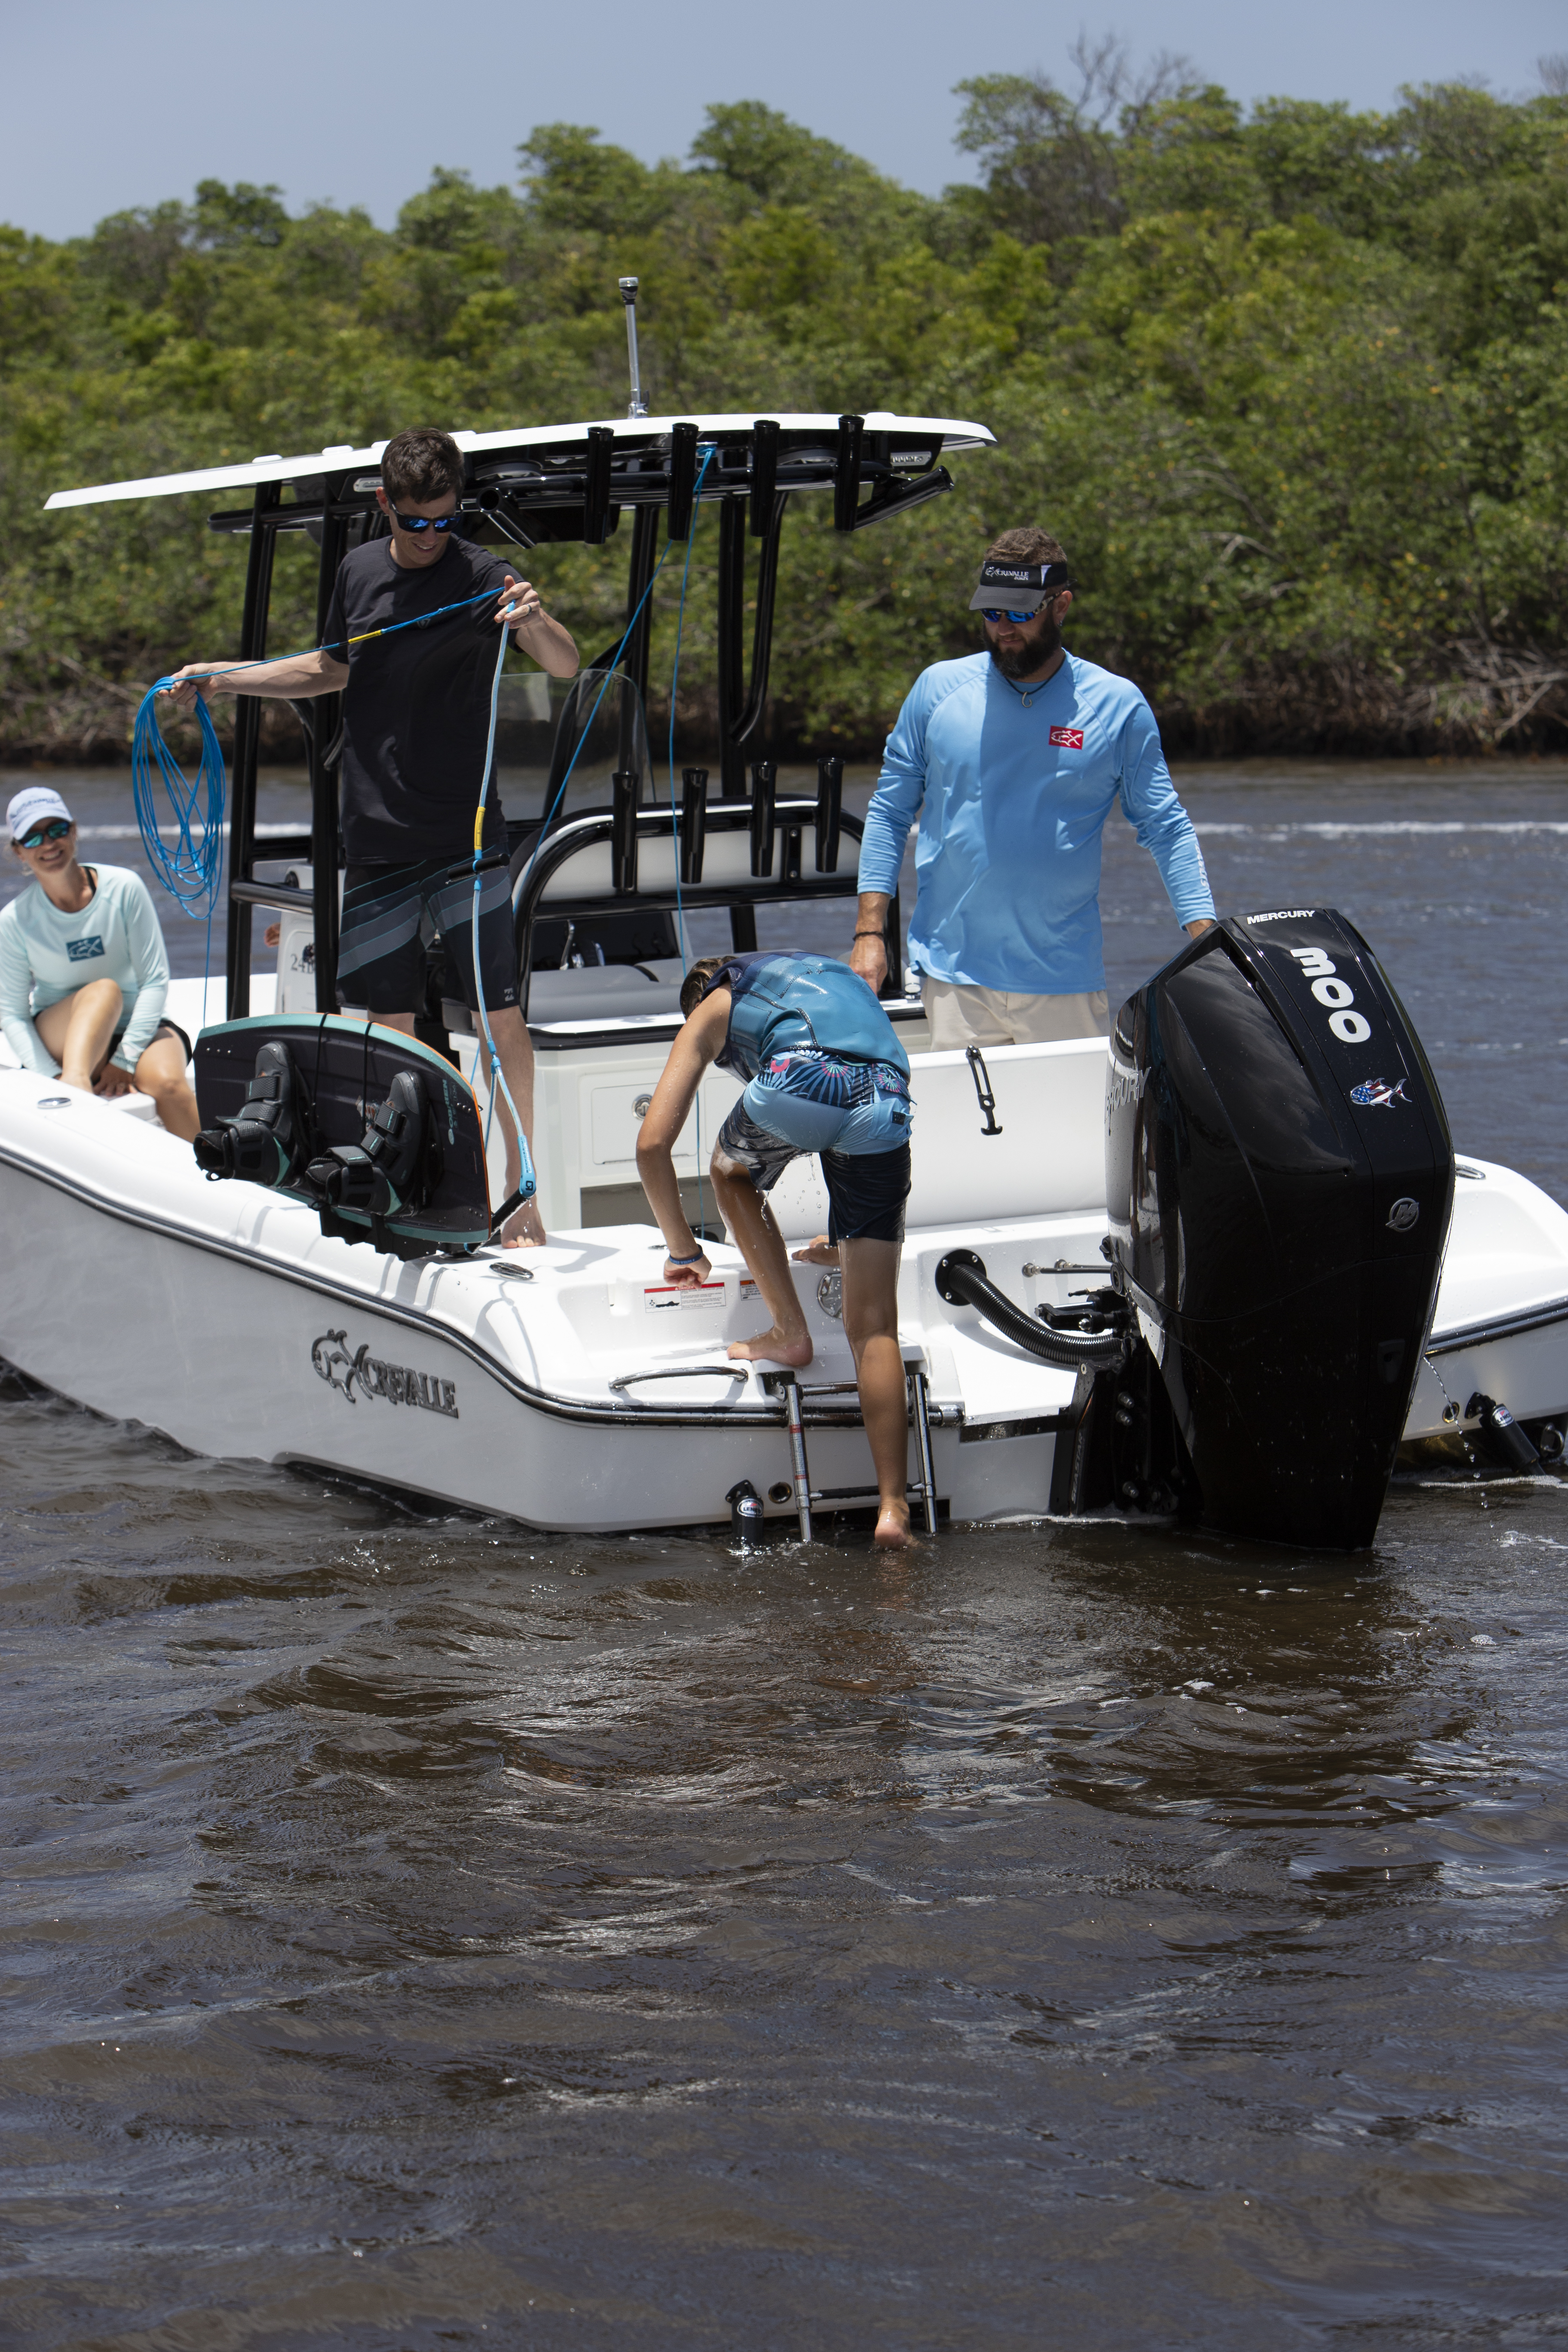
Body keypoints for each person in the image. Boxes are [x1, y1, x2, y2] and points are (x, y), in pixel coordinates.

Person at [164, 424, 580, 1246]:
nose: (430, 537)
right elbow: (328, 668)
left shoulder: (485, 574)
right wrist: (225, 677)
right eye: (414, 521)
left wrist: (534, 621)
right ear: (385, 504)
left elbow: (564, 665)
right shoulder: (357, 572)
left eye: (444, 520)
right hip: (378, 835)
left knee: (498, 1021)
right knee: (392, 1026)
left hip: (466, 841)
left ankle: (523, 1195)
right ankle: (429, 1184)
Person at [851, 526, 1215, 1044]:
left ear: (1061, 606)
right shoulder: (937, 691)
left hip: (1063, 983)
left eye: (1021, 614)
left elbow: (1166, 827)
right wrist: (869, 934)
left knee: (1072, 1128)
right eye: (992, 614)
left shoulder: (1117, 706)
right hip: (953, 981)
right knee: (960, 1128)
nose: (1004, 629)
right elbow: (888, 814)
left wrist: (1207, 939)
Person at [637, 952, 918, 1549]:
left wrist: (684, 1250)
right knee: (874, 1329)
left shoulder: (713, 1002)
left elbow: (651, 1145)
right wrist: (842, 1243)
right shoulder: (824, 972)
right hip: (889, 1094)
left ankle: (789, 1331)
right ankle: (893, 1508)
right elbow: (851, 1075)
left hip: (805, 1081)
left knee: (730, 1171)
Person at [0, 786, 200, 1139]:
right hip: (62, 1035)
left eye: (57, 830)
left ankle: (215, 1181)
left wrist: (124, 1060)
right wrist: (49, 1076)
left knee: (170, 1085)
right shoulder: (14, 920)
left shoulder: (124, 888)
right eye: (33, 837)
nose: (48, 844)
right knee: (104, 991)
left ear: (74, 832)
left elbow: (154, 980)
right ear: (19, 852)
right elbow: (12, 1014)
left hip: (137, 1027)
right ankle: (74, 1091)